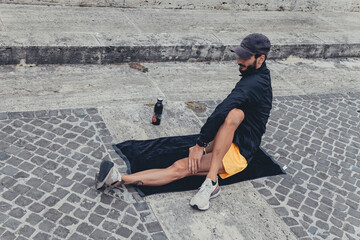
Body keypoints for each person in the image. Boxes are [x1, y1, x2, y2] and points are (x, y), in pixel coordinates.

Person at [95, 33, 272, 211]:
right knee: (236, 113)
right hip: (230, 136)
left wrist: (200, 144)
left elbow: (222, 111)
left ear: (260, 58)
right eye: (239, 55)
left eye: (245, 57)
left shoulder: (254, 84)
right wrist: (202, 144)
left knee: (181, 166)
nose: (238, 61)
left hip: (241, 150)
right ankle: (211, 177)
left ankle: (120, 179)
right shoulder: (255, 75)